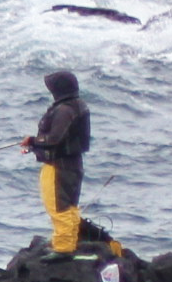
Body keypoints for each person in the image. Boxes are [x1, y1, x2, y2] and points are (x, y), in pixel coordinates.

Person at [17, 70, 122, 259]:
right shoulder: (78, 105)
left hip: (59, 166)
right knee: (70, 206)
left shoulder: (64, 109)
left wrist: (33, 141)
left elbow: (54, 138)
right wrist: (35, 142)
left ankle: (64, 248)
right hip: (73, 164)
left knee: (58, 206)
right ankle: (69, 241)